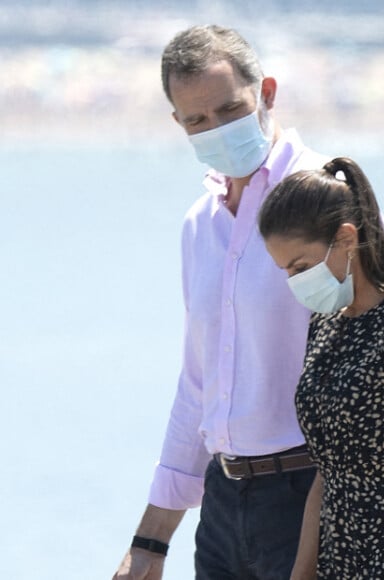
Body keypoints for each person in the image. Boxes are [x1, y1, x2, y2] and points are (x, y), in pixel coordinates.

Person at [113, 25, 328, 580]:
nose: (217, 129)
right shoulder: (198, 224)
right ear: (179, 124)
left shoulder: (327, 197)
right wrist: (150, 541)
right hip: (222, 505)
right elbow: (200, 383)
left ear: (268, 93)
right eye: (197, 120)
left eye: (230, 110)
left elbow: (380, 365)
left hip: (310, 498)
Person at [258, 157, 384, 580]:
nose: (294, 282)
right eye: (286, 271)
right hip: (337, 562)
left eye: (300, 267)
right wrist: (302, 572)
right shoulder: (326, 323)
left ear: (346, 239)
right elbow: (328, 469)